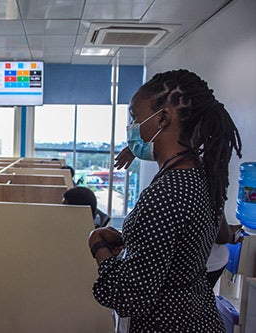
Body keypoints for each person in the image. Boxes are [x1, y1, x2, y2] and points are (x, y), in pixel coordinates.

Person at [88, 69, 242, 332]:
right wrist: (134, 244)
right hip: (197, 316)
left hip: (167, 323)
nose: (132, 127)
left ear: (162, 118)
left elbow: (130, 297)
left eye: (136, 117)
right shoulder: (199, 177)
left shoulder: (166, 193)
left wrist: (98, 245)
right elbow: (177, 250)